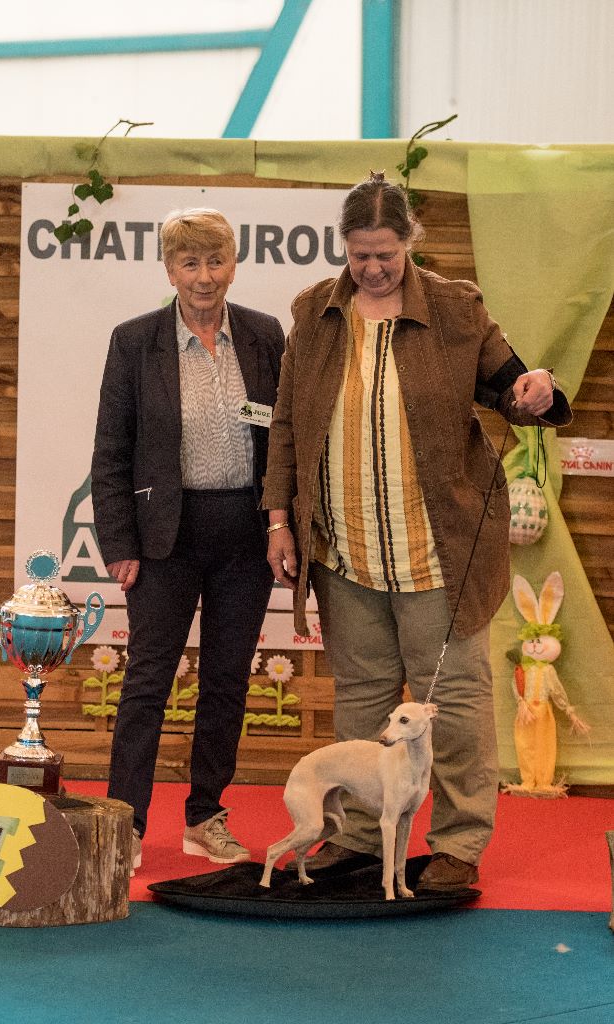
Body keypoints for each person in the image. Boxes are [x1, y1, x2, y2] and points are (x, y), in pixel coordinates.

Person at [262, 173, 571, 894]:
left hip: (438, 550)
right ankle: (363, 840)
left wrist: (535, 392)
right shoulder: (314, 313)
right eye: (359, 254)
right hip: (346, 552)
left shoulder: (458, 310)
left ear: (409, 244)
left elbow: (513, 391)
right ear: (343, 246)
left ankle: (458, 843)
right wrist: (280, 518)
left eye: (386, 254)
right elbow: (285, 424)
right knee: (363, 704)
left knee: (455, 704)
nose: (371, 267)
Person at [92, 208, 284, 872]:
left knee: (227, 682)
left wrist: (280, 526)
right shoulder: (133, 341)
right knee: (147, 680)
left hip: (245, 541)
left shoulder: (264, 335)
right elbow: (111, 452)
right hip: (161, 541)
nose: (204, 277)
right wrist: (118, 541)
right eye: (189, 263)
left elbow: (281, 444)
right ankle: (124, 826)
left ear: (234, 262)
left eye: (215, 260)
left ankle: (205, 817)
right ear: (169, 269)